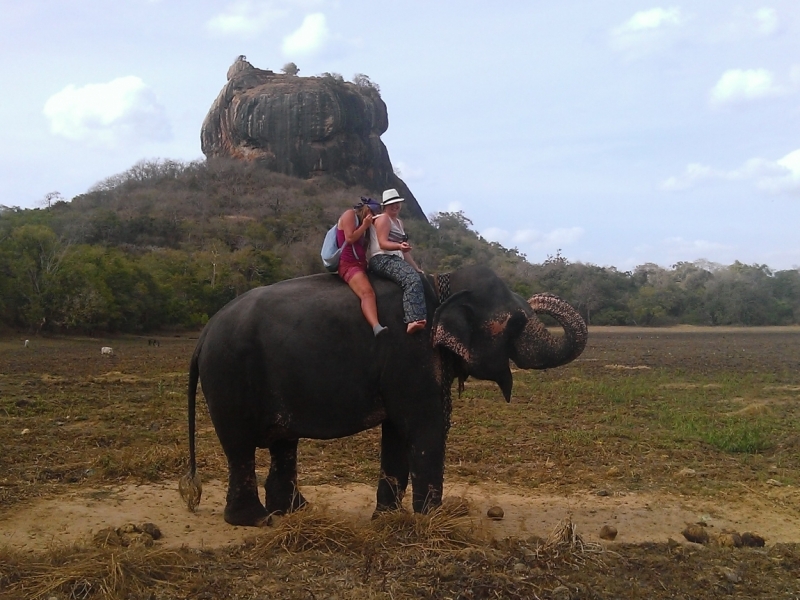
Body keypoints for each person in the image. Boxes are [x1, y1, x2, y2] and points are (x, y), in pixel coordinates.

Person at [368, 189, 427, 334]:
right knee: (411, 279)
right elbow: (383, 243)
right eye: (391, 204)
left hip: (395, 258)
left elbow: (404, 251)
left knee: (418, 276)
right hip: (382, 258)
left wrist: (416, 267)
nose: (395, 206)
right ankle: (412, 319)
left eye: (397, 203)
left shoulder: (399, 222)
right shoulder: (383, 219)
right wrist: (399, 246)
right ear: (385, 206)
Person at [336, 197, 388, 337]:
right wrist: (365, 226)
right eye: (373, 211)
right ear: (366, 208)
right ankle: (376, 326)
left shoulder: (366, 224)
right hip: (348, 264)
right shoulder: (350, 215)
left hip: (361, 263)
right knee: (367, 293)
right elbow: (350, 238)